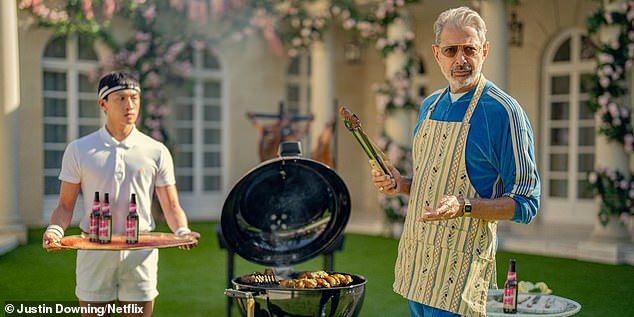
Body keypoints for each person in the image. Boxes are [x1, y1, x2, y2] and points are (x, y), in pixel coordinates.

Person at [372, 7, 540, 317]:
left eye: (469, 49)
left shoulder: (505, 111)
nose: (460, 60)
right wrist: (403, 184)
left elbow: (526, 203)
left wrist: (466, 206)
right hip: (417, 266)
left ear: (485, 51)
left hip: (461, 276)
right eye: (451, 50)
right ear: (437, 54)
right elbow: (434, 181)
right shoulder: (429, 105)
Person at [42, 71, 200, 317]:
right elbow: (65, 205)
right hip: (94, 249)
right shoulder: (79, 150)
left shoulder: (156, 150)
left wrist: (182, 232)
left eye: (134, 98)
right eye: (121, 98)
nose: (130, 105)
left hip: (140, 252)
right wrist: (54, 231)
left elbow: (170, 204)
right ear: (103, 104)